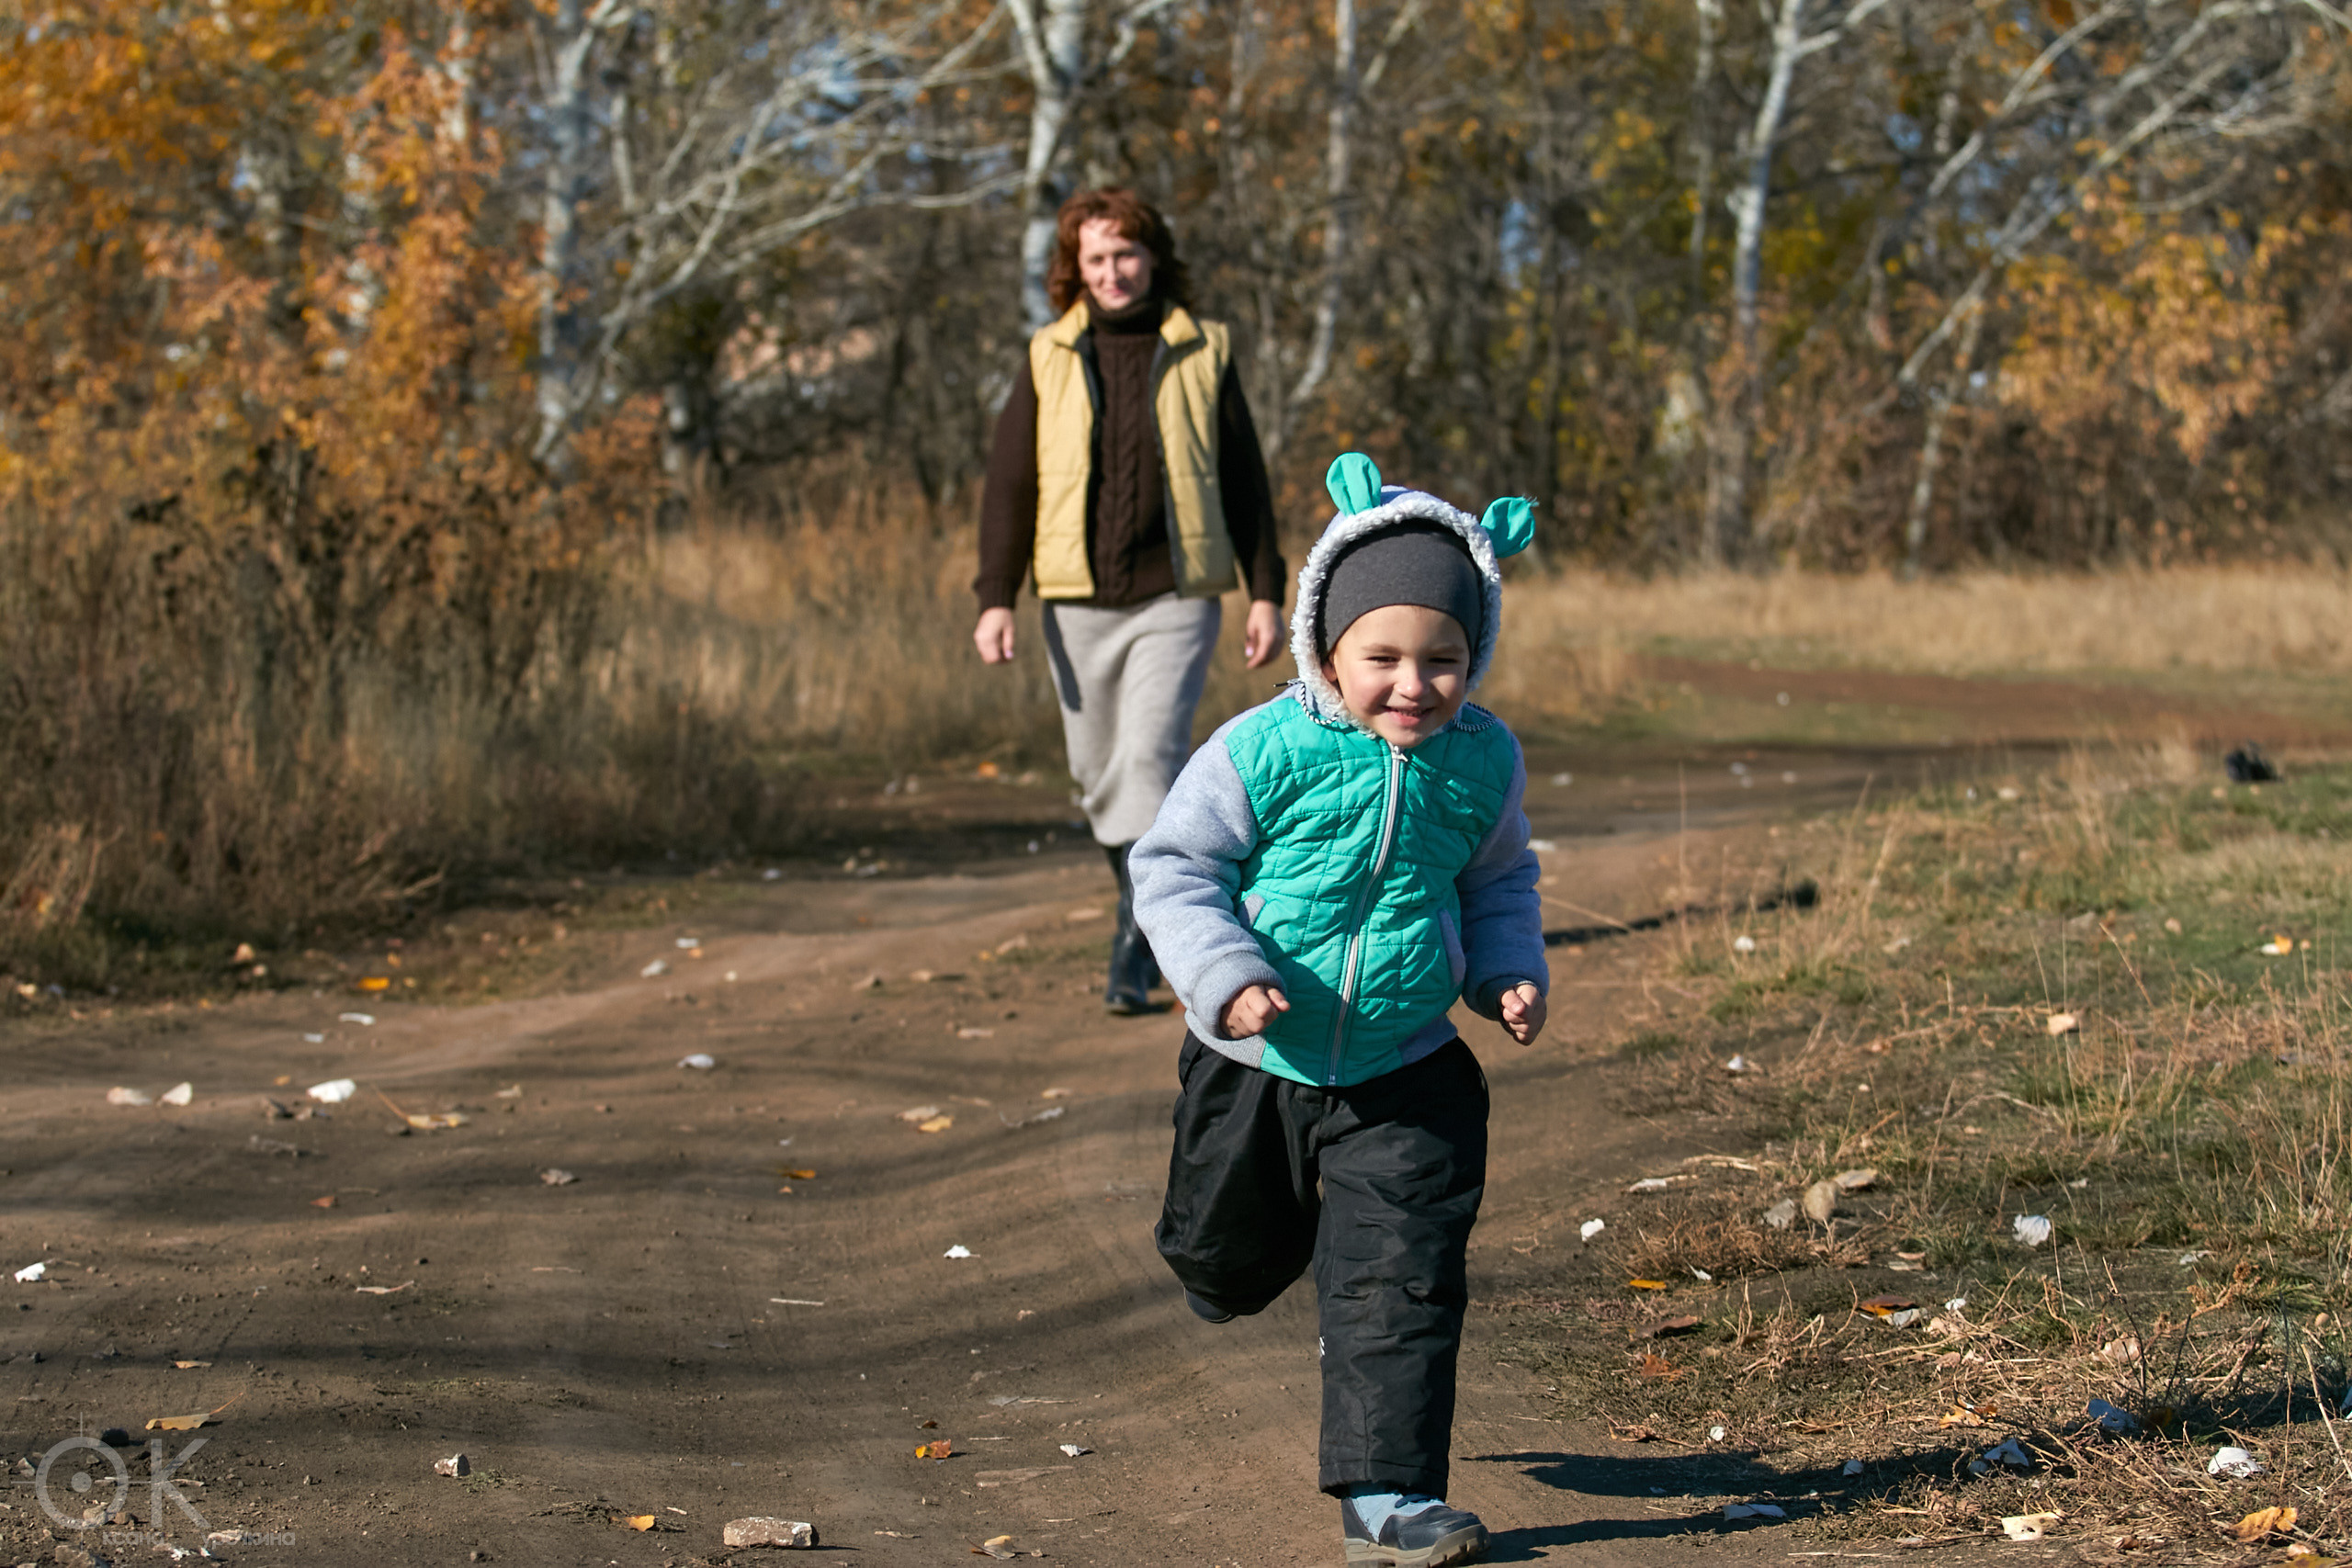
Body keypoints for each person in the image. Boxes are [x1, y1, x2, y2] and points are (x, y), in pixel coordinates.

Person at [1128, 452, 1548, 1568]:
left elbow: (1498, 879)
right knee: (1221, 1255)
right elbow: (1173, 870)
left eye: (1444, 661)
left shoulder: (1480, 761)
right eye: (1384, 658)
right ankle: (1226, 1264)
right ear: (1326, 647)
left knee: (1398, 1275)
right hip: (1255, 1054)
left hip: (1408, 1066)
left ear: (1475, 658)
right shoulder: (1262, 749)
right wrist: (1223, 976)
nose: (1413, 685)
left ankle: (1389, 1498)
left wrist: (1505, 971)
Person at [973, 187, 1287, 1015]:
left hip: (1175, 594)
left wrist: (1266, 591)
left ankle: (1135, 933)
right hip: (1074, 599)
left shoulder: (1201, 348)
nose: (1113, 272)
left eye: (1126, 254)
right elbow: (1011, 483)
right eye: (1096, 258)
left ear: (1154, 257)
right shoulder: (1048, 354)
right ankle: (1152, 907)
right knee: (1096, 772)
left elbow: (1246, 481)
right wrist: (995, 597)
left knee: (1149, 757)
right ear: (1075, 268)